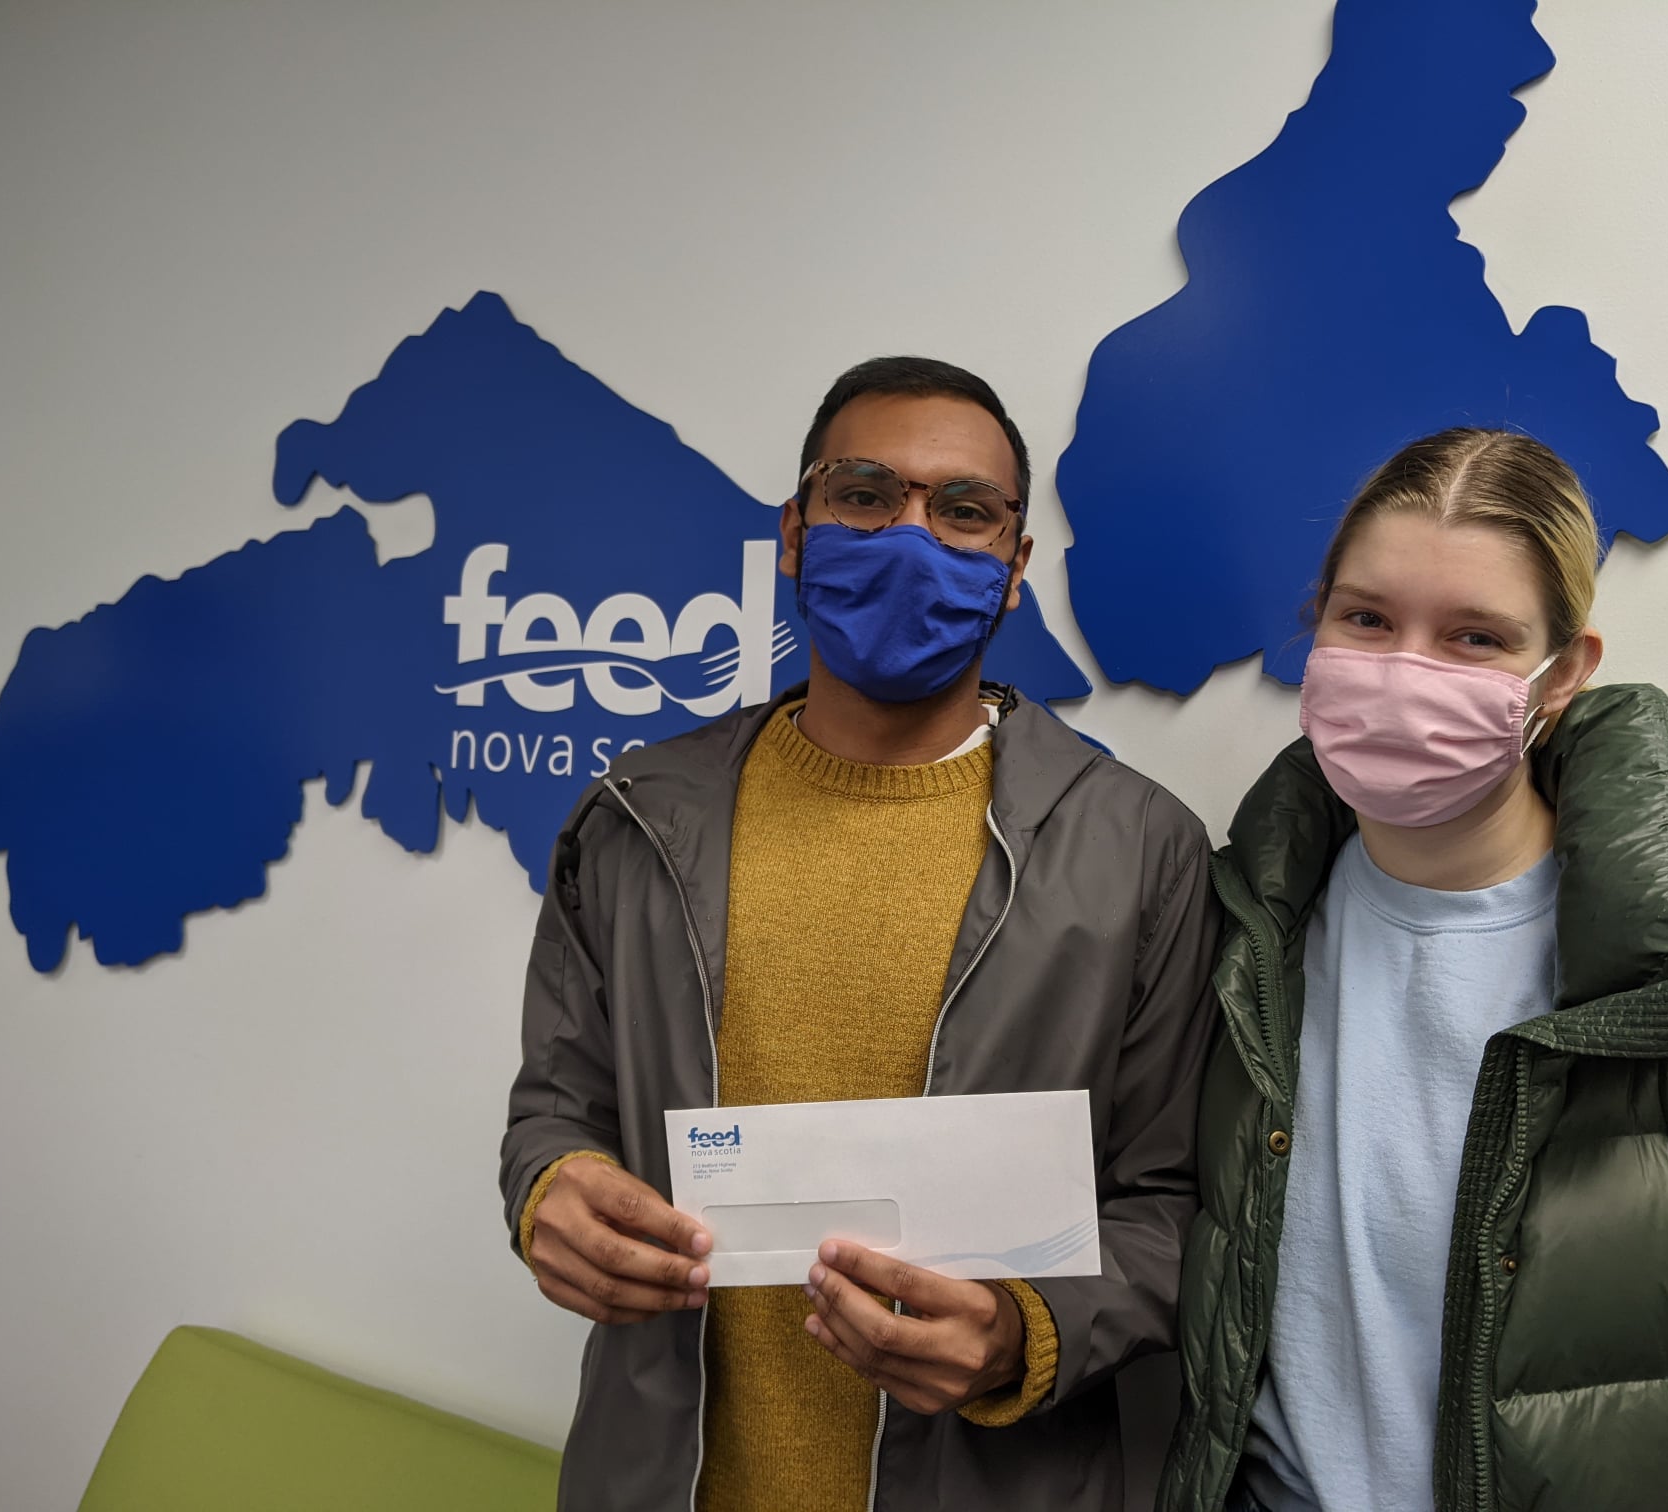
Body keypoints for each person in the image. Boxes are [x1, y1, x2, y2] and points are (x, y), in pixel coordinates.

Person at [501, 356, 1220, 1512]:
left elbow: (1175, 1204)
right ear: (796, 530)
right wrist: (551, 1186)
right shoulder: (636, 817)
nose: (910, 537)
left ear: (1015, 566)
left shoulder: (1142, 851)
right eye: (866, 495)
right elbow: (559, 1104)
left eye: (964, 511)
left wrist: (1018, 1333)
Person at [1162, 428, 1668, 1511]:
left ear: (1561, 676)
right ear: (1315, 622)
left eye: (1475, 638)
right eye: (1367, 619)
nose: (1406, 672)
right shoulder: (1243, 933)